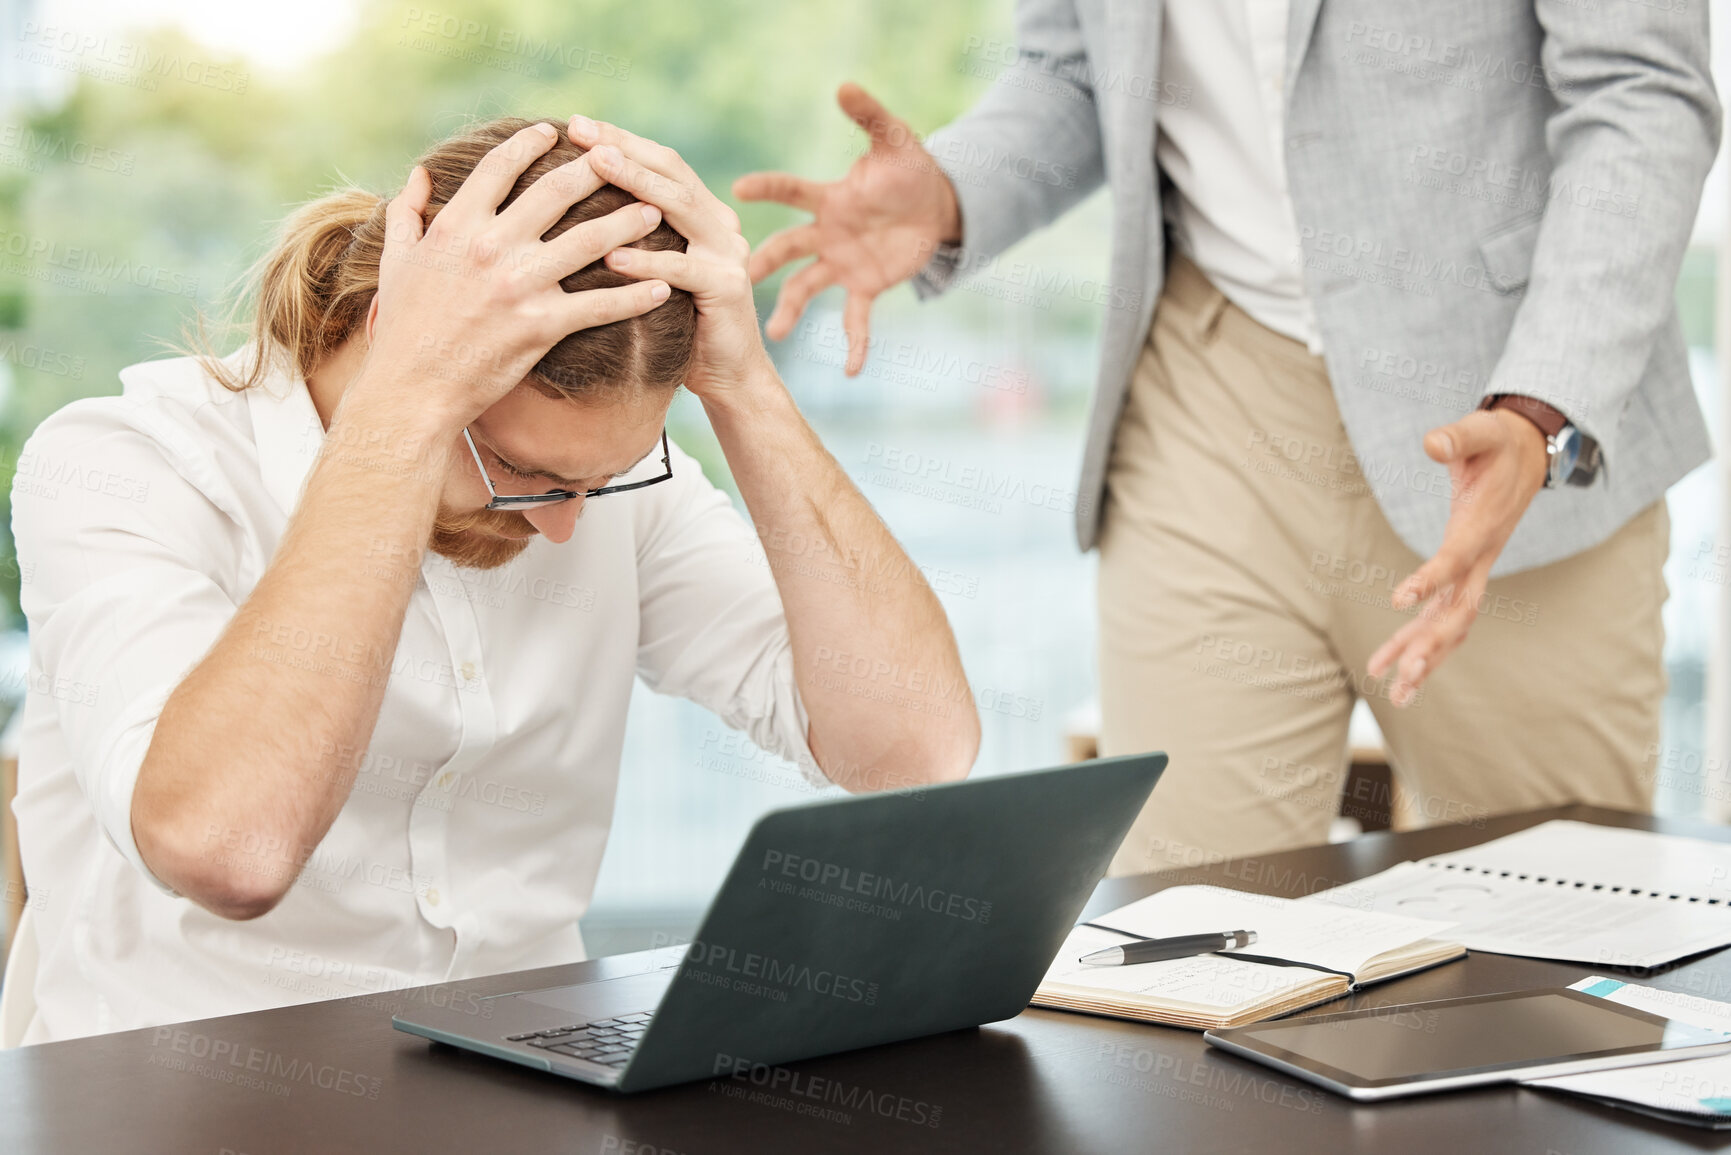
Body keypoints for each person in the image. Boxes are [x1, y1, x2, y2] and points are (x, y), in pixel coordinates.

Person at [5, 115, 979, 1043]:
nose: (563, 525)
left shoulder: (602, 483)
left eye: (594, 485)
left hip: (522, 1096)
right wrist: (404, 414)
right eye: (524, 474)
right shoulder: (127, 464)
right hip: (175, 1106)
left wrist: (745, 386)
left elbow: (913, 748)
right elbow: (229, 849)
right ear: (398, 334)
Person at [736, 2, 1720, 873]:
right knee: (1194, 935)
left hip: (1496, 405)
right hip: (1208, 389)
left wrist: (1543, 407)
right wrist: (954, 189)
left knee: (1550, 945)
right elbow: (1078, 68)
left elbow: (1643, 89)